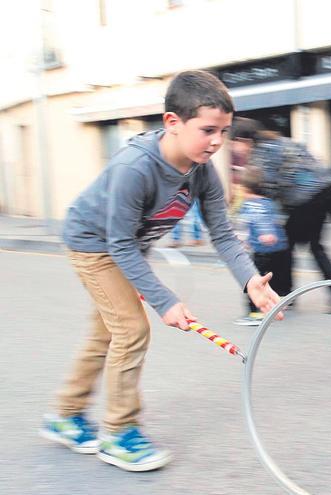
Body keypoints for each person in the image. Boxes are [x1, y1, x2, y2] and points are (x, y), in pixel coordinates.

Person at [40, 70, 284, 471]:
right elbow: (117, 243)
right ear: (173, 122)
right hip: (94, 244)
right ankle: (118, 433)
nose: (218, 141)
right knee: (131, 330)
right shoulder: (135, 167)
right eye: (208, 130)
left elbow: (222, 232)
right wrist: (165, 301)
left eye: (224, 131)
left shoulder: (202, 168)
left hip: (126, 247)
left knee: (107, 332)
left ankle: (65, 415)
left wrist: (250, 279)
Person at [231, 118, 331, 314]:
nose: (235, 148)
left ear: (244, 139)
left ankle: (286, 293)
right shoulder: (277, 142)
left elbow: (266, 190)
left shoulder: (263, 152)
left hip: (310, 197)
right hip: (328, 190)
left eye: (235, 142)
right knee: (313, 246)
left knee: (286, 244)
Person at [233, 166, 291, 326]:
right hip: (280, 249)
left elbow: (252, 222)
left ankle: (255, 313)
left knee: (253, 282)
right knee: (277, 278)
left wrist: (242, 242)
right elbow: (278, 221)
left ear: (244, 189)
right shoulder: (269, 203)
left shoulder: (250, 205)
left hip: (261, 251)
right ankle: (280, 301)